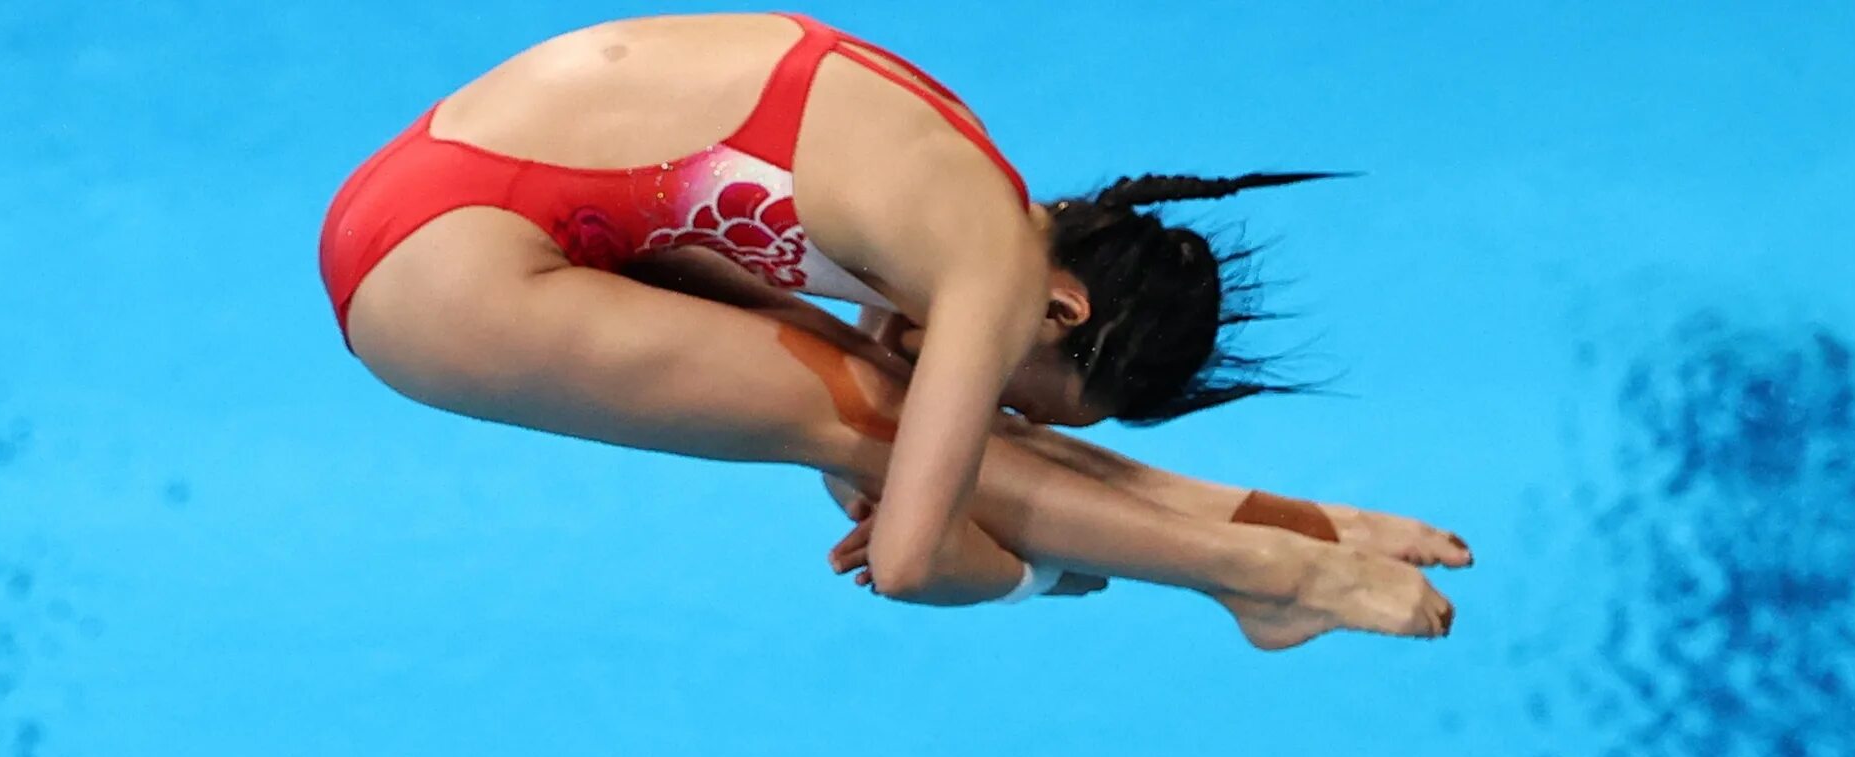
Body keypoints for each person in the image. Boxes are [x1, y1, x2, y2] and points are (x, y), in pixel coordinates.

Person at [321, 11, 1472, 649]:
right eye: (1018, 397)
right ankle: (1262, 575)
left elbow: (903, 471)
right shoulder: (989, 268)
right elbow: (915, 561)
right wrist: (1031, 575)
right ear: (1062, 310)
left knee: (885, 405)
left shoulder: (970, 184)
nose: (990, 410)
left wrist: (957, 494)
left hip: (448, 197)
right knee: (885, 417)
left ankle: (1292, 524)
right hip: (442, 280)